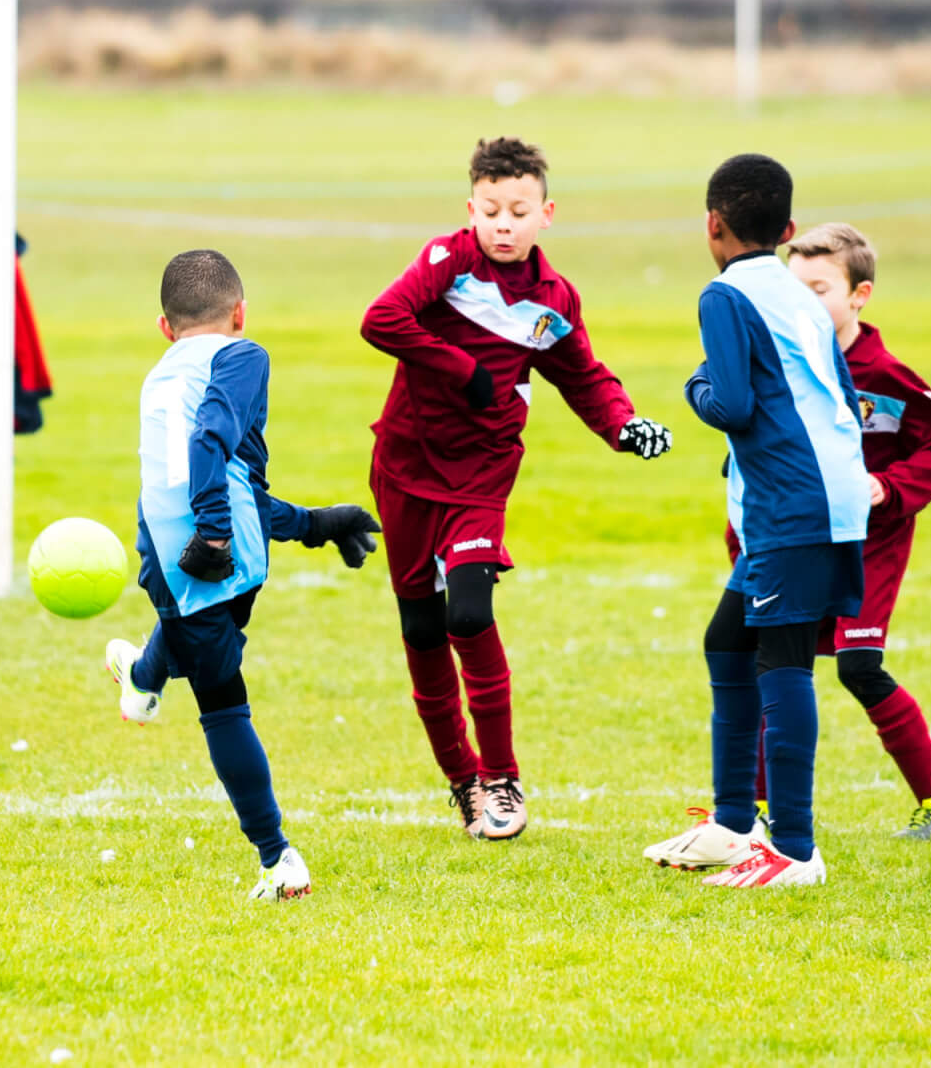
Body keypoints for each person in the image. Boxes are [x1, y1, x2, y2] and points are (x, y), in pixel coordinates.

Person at [360, 137, 671, 841]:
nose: (503, 224)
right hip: (406, 466)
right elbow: (381, 320)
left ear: (546, 214)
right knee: (421, 631)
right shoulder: (446, 261)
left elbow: (583, 375)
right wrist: (459, 368)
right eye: (491, 210)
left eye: (518, 211)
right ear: (470, 208)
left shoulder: (553, 300)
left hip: (482, 474)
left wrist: (624, 426)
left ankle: (502, 779)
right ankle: (463, 783)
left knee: (467, 613)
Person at [102, 250, 382, 901]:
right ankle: (277, 858)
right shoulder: (243, 354)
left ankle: (141, 679)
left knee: (195, 643)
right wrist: (214, 531)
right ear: (241, 313)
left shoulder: (157, 378)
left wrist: (316, 524)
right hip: (220, 551)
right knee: (223, 699)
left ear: (163, 328)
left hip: (170, 556)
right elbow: (212, 443)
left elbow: (230, 476)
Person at [643, 156, 868, 888]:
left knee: (784, 660)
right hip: (824, 491)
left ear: (712, 224)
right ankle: (734, 825)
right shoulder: (799, 292)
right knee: (727, 642)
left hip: (791, 502)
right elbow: (840, 385)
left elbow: (731, 404)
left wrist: (694, 387)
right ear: (789, 230)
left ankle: (796, 850)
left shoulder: (725, 293)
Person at [761, 224, 931, 839]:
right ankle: (760, 809)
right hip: (799, 546)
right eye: (795, 290)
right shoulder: (784, 368)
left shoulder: (887, 378)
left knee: (858, 667)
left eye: (820, 288)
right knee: (778, 662)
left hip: (869, 546)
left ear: (860, 295)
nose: (805, 303)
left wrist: (890, 488)